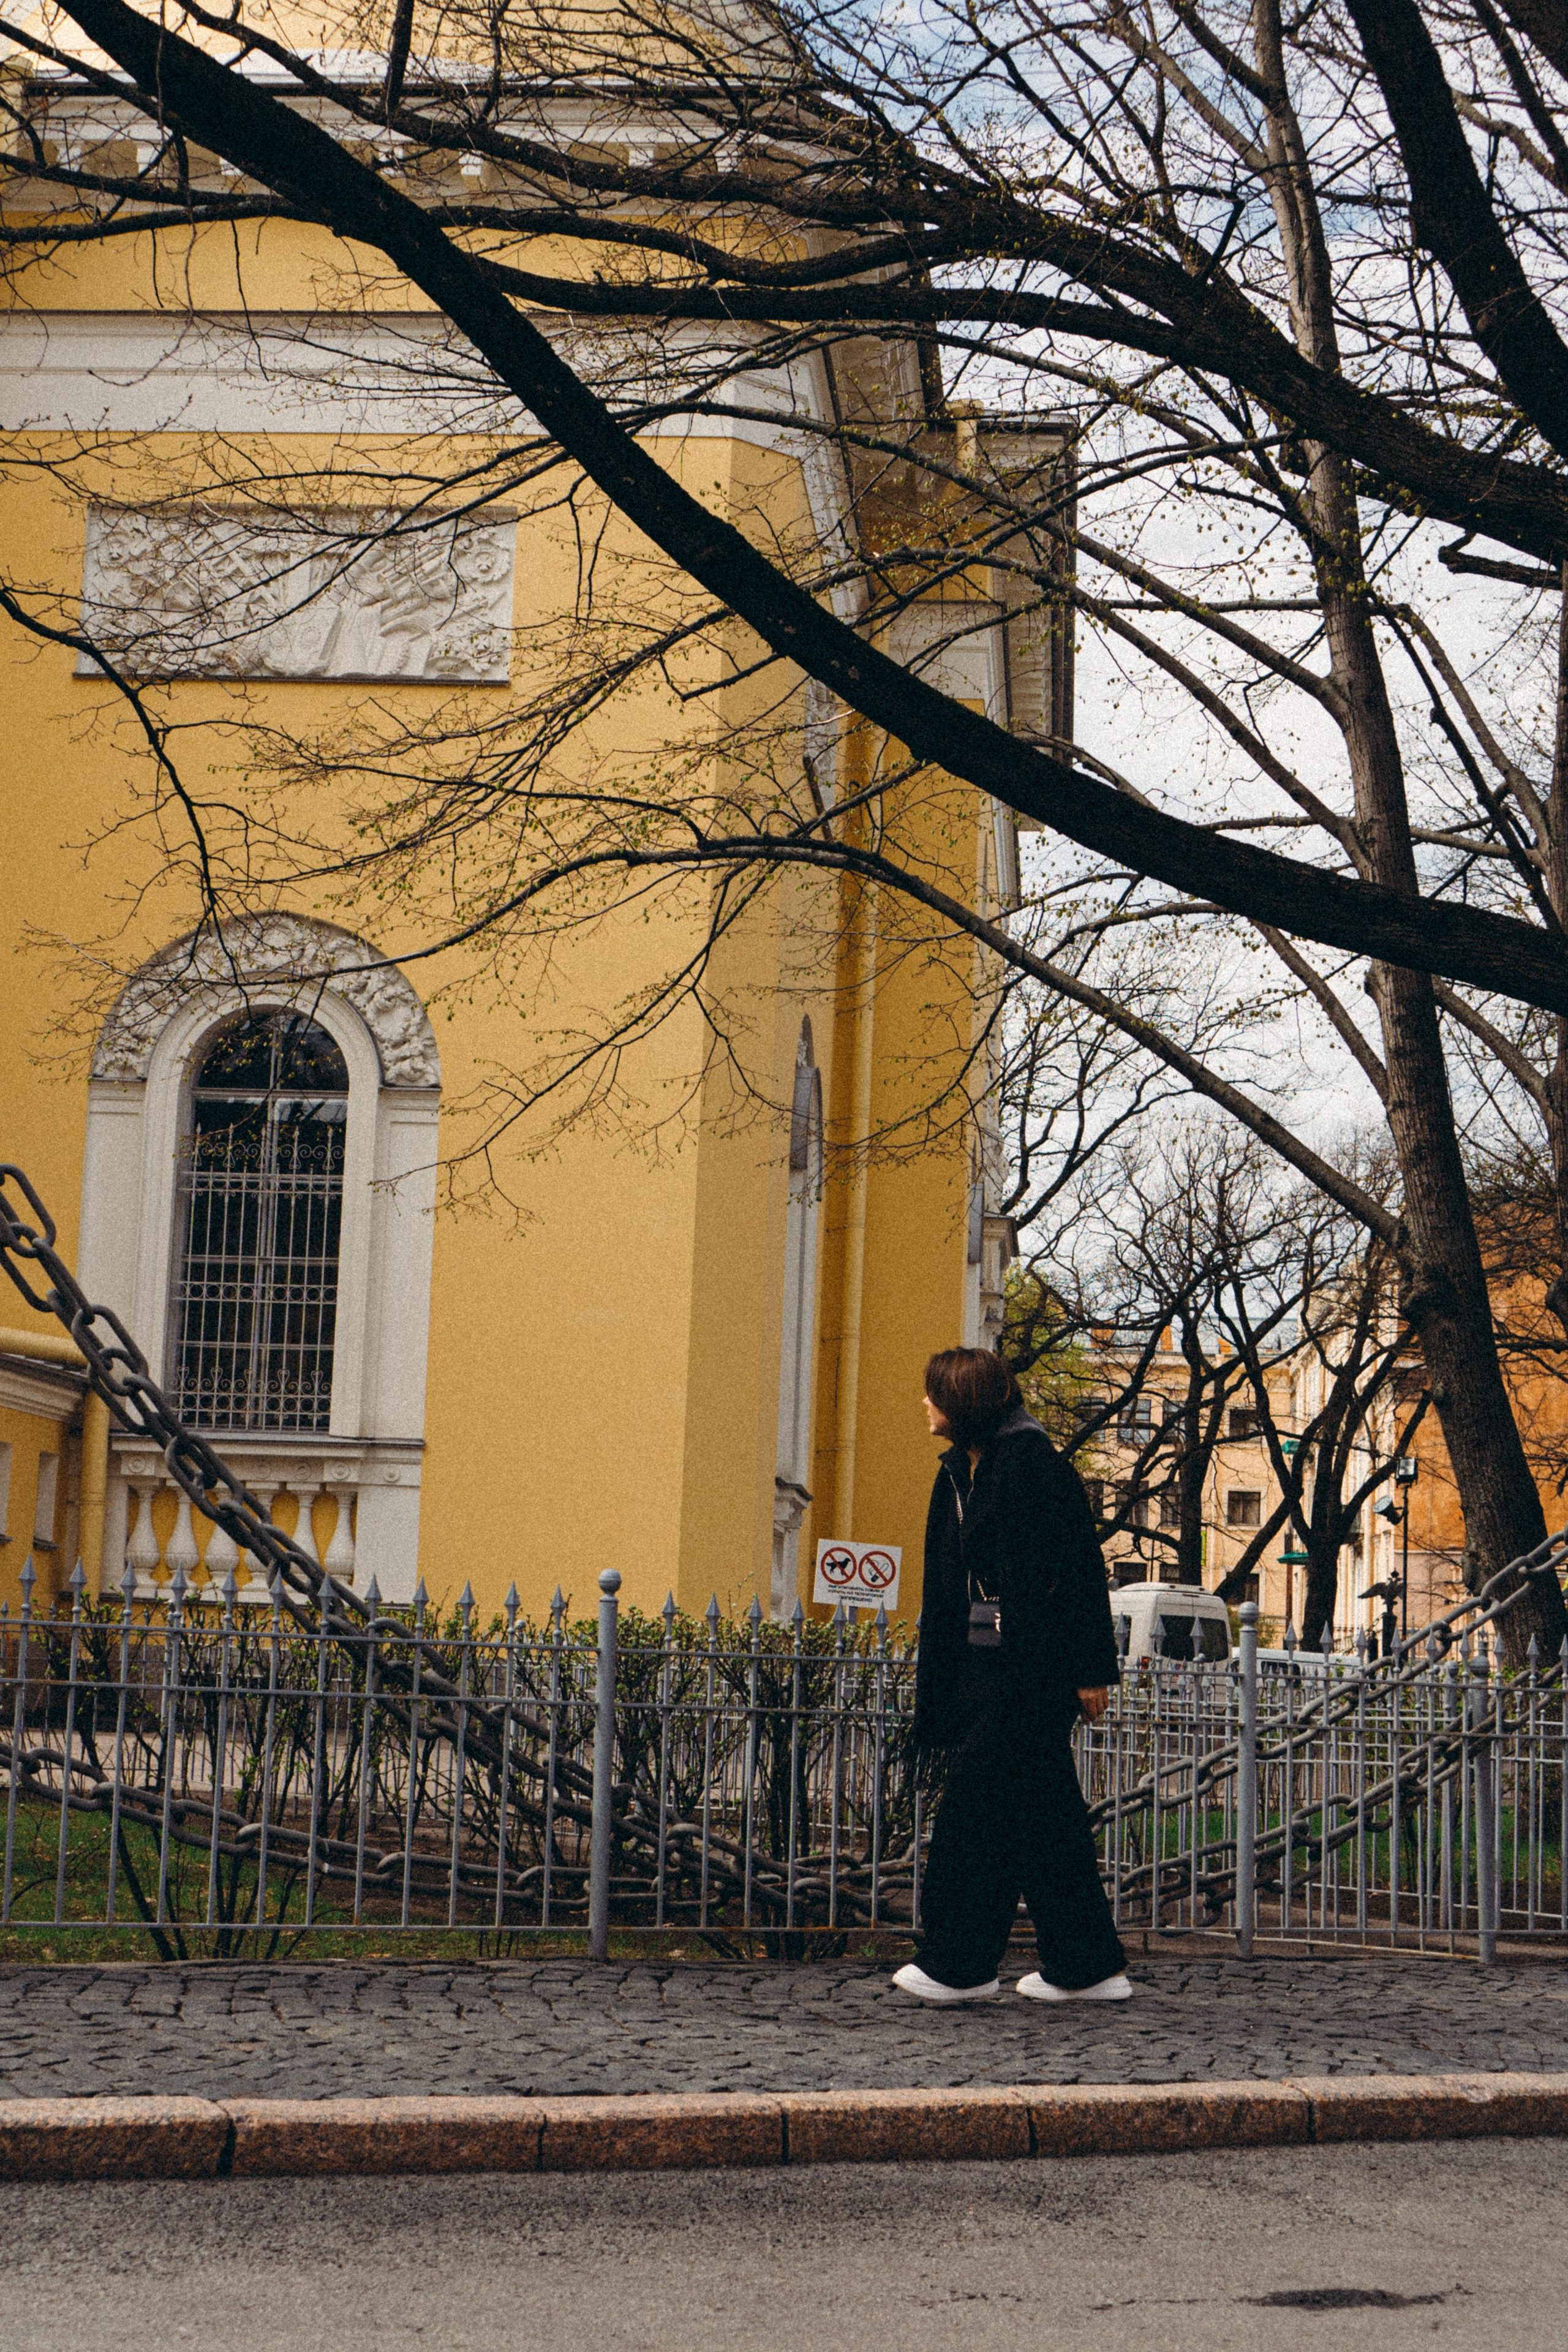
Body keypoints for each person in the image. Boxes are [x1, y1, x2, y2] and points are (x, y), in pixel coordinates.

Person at [892, 1346, 1132, 2005]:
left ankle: (959, 1964)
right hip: (980, 1669)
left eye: (933, 1392)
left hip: (1033, 1672)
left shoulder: (1033, 1467)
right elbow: (943, 1588)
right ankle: (1086, 1965)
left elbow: (1080, 1571)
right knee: (1042, 1819)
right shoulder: (955, 1473)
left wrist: (1090, 1671)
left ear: (961, 1403)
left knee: (974, 1809)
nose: (924, 1403)